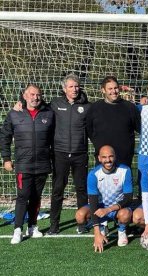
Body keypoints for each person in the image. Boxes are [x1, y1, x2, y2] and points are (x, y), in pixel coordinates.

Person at [0, 84, 54, 244]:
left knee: (36, 197)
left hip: (43, 163)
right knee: (23, 197)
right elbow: (5, 137)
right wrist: (6, 158)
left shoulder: (49, 114)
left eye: (38, 94)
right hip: (23, 164)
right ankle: (18, 229)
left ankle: (33, 226)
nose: (35, 97)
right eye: (32, 94)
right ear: (24, 96)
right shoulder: (14, 114)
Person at [48, 74, 91, 235]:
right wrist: (21, 103)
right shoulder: (55, 104)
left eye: (77, 86)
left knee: (81, 189)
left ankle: (82, 223)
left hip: (80, 154)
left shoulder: (87, 106)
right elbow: (36, 105)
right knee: (58, 189)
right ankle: (54, 224)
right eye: (71, 86)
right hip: (60, 153)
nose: (74, 89)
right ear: (64, 88)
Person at [75, 145, 133, 253]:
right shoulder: (93, 174)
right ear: (99, 158)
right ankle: (102, 226)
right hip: (101, 207)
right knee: (79, 216)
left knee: (125, 215)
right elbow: (93, 204)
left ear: (115, 157)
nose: (108, 160)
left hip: (118, 208)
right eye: (104, 157)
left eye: (111, 156)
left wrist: (108, 210)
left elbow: (128, 198)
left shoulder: (125, 170)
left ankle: (121, 230)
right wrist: (96, 233)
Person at [86, 76, 140, 168]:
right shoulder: (94, 108)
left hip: (124, 158)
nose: (114, 91)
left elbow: (140, 128)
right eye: (110, 89)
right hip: (103, 158)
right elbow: (89, 130)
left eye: (115, 88)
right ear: (103, 90)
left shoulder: (130, 107)